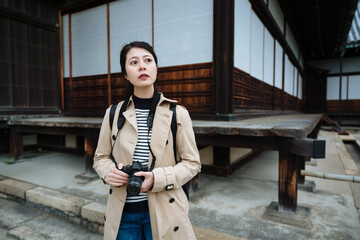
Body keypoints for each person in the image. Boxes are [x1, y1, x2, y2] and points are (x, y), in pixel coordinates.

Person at [93, 41, 201, 240]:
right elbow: (100, 157)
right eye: (133, 62)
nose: (142, 66)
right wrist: (109, 172)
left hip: (165, 212)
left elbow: (192, 164)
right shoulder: (113, 113)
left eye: (148, 60)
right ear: (125, 74)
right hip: (123, 212)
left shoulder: (178, 113)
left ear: (156, 68)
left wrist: (158, 178)